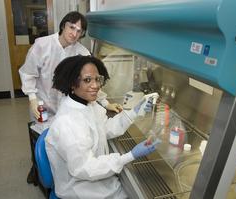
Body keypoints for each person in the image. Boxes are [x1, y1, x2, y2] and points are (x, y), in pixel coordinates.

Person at [45, 55, 160, 198]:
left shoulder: (88, 104)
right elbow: (84, 168)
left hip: (98, 181)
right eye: (87, 80)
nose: (96, 85)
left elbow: (104, 128)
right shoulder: (67, 122)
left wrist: (134, 112)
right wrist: (130, 156)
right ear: (72, 83)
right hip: (80, 189)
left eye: (97, 79)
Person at [19, 11, 122, 121]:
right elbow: (28, 73)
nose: (74, 34)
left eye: (79, 31)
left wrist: (106, 103)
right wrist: (32, 99)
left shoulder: (82, 53)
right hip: (41, 107)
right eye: (72, 27)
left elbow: (91, 82)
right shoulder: (42, 45)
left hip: (67, 109)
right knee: (42, 136)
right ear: (63, 25)